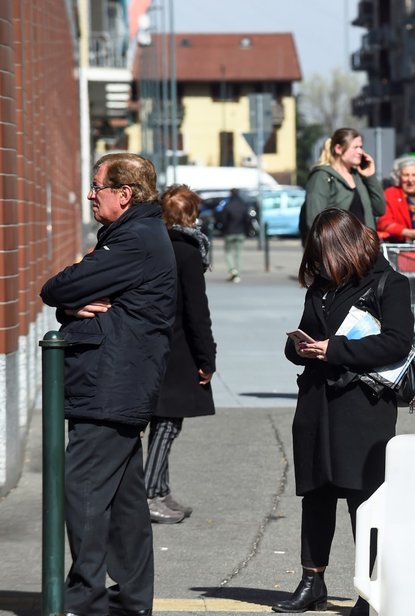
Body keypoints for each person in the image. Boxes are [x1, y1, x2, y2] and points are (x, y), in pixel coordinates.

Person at [39, 153, 177, 616]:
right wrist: (71, 306)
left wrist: (69, 298)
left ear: (126, 194)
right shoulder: (133, 236)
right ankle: (132, 598)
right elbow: (73, 298)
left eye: (98, 185)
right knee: (124, 500)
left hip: (109, 387)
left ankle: (84, 597)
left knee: (82, 490)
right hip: (117, 384)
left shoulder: (133, 240)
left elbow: (58, 287)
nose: (91, 193)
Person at [276, 209, 413, 615]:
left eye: (325, 253)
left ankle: (368, 591)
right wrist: (298, 347)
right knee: (315, 494)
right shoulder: (320, 286)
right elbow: (305, 332)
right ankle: (311, 580)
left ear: (346, 249)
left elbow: (397, 343)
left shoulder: (390, 282)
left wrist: (334, 350)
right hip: (317, 401)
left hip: (362, 405)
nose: (320, 263)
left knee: (363, 499)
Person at [144, 185, 217, 525]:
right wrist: (208, 358)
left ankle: (160, 490)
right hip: (178, 348)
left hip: (158, 344)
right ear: (190, 216)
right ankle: (151, 493)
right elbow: (196, 311)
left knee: (165, 420)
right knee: (168, 423)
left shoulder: (158, 244)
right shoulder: (187, 251)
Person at [303, 128, 386, 236]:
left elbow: (380, 209)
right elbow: (314, 220)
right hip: (338, 249)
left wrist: (370, 177)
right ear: (338, 149)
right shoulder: (322, 176)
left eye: (361, 147)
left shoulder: (359, 176)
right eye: (355, 147)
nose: (360, 152)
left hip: (365, 248)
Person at [219, 188, 251, 283]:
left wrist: (223, 230)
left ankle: (232, 270)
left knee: (228, 252)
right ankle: (237, 273)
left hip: (229, 232)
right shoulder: (243, 206)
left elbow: (223, 220)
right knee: (238, 254)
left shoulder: (228, 206)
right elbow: (247, 220)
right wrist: (247, 231)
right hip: (240, 232)